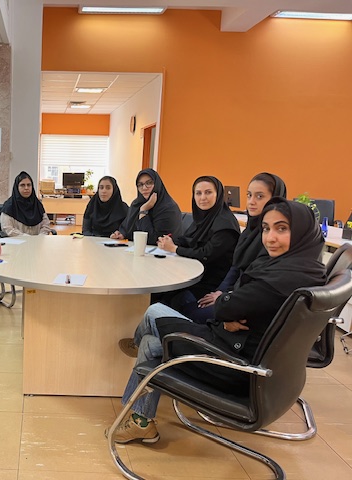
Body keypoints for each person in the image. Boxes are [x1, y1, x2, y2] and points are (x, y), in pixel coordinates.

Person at [109, 198, 326, 444]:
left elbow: (224, 307)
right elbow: (235, 305)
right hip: (251, 359)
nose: (270, 238)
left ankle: (136, 357)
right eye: (266, 228)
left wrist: (227, 310)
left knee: (154, 313)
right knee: (151, 341)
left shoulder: (277, 281)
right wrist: (229, 311)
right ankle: (139, 420)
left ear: (302, 231)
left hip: (235, 366)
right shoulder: (307, 270)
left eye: (282, 228)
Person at [190, 173, 287, 322]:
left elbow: (258, 282)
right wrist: (220, 292)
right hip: (232, 293)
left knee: (187, 312)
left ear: (275, 199)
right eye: (249, 195)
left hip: (246, 303)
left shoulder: (274, 240)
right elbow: (236, 267)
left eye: (259, 196)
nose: (251, 202)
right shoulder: (250, 231)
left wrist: (225, 297)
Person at [154, 176, 240, 309]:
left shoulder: (225, 224)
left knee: (171, 299)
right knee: (157, 291)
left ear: (218, 195)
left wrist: (175, 249)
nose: (202, 198)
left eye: (208, 192)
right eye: (198, 193)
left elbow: (205, 254)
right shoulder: (203, 217)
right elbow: (188, 239)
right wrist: (169, 241)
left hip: (210, 281)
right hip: (191, 273)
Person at [111, 168, 182, 245]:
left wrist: (143, 211)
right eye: (140, 185)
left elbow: (152, 240)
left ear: (157, 184)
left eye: (149, 183)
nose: (144, 188)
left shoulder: (169, 208)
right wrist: (121, 235)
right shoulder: (136, 204)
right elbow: (127, 230)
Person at [0, 171, 53, 236]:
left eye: (29, 185)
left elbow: (46, 225)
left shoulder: (37, 205)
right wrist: (26, 237)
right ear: (17, 187)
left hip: (38, 240)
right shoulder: (9, 206)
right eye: (22, 185)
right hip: (18, 241)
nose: (26, 188)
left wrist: (40, 237)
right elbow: (8, 229)